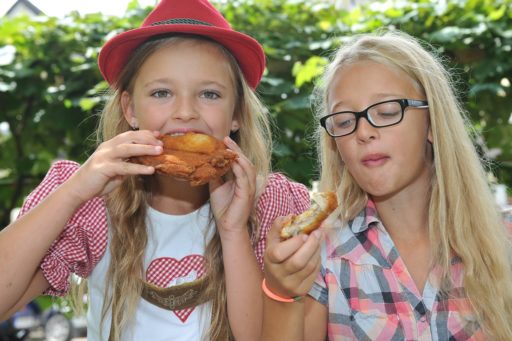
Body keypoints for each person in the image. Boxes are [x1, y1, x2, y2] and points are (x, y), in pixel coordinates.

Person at [0, 0, 311, 340]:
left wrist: (233, 231)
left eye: (209, 93)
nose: (185, 112)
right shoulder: (95, 205)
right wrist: (73, 192)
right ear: (130, 109)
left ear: (236, 113)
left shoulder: (270, 205)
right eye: (162, 92)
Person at [262, 31, 512, 340]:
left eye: (387, 112)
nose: (363, 131)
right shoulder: (323, 254)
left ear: (432, 124)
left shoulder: (504, 240)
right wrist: (280, 292)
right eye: (343, 121)